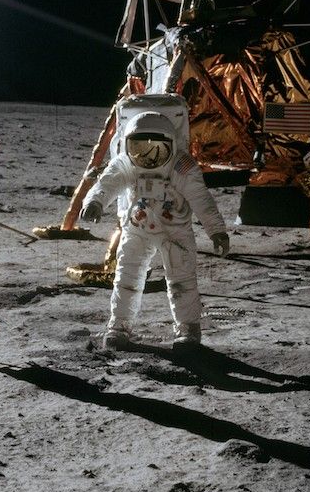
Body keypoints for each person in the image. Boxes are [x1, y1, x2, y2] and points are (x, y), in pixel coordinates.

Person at [80, 110, 230, 352]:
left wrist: (217, 231)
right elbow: (108, 182)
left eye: (156, 148)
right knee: (127, 278)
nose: (147, 155)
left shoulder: (181, 167)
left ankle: (188, 330)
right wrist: (94, 202)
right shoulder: (128, 161)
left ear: (170, 143)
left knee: (182, 280)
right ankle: (118, 327)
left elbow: (202, 200)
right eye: (139, 147)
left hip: (175, 231)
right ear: (129, 145)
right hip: (139, 227)